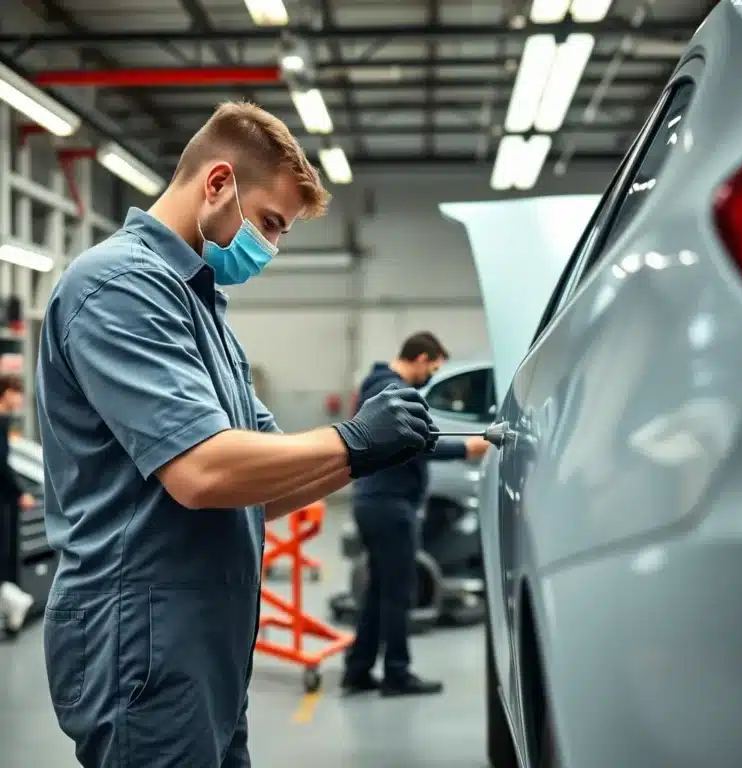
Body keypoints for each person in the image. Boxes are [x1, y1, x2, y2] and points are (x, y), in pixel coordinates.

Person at [36, 102, 438, 768]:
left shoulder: (202, 311)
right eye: (270, 224)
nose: (271, 249)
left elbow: (262, 484)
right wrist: (352, 440)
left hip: (203, 639)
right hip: (144, 638)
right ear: (217, 183)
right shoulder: (118, 286)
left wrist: (372, 454)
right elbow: (202, 473)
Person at [341, 332, 489, 697]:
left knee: (378, 591)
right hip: (390, 505)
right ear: (422, 358)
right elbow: (416, 443)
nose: (431, 376)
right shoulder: (394, 390)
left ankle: (358, 669)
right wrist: (467, 447)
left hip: (375, 502)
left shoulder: (376, 385)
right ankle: (397, 673)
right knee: (398, 592)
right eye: (433, 368)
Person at [0, 373, 36, 636]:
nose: (20, 399)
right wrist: (20, 491)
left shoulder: (6, 422)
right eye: (16, 393)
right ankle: (14, 602)